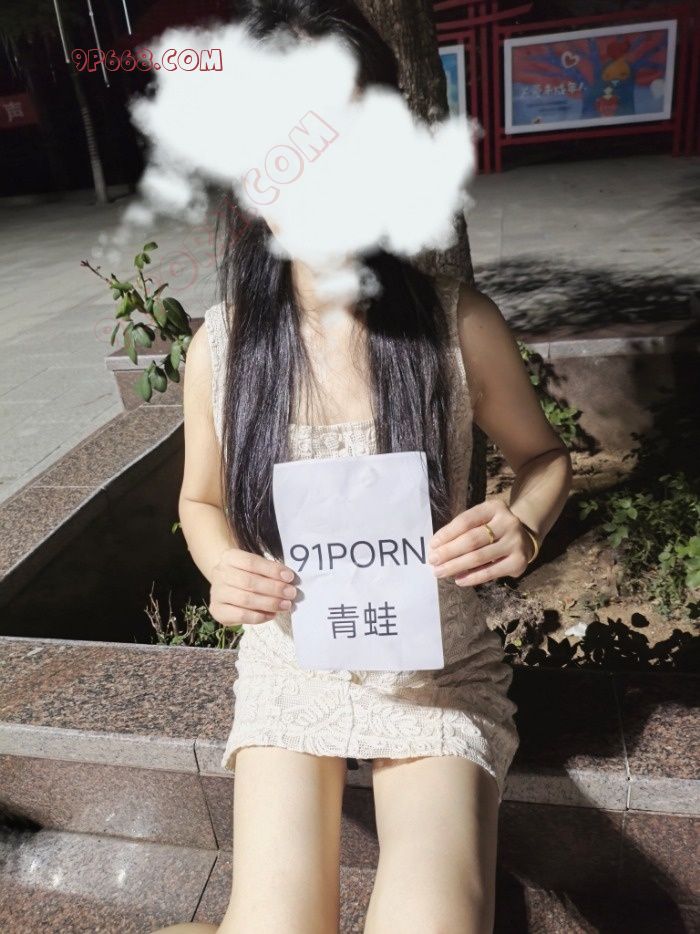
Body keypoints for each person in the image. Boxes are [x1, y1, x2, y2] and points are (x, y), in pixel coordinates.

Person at [155, 2, 573, 932]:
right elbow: (200, 500)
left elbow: (544, 458)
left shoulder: (458, 324)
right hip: (292, 664)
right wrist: (223, 566)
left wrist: (522, 519)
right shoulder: (222, 349)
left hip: (433, 673)